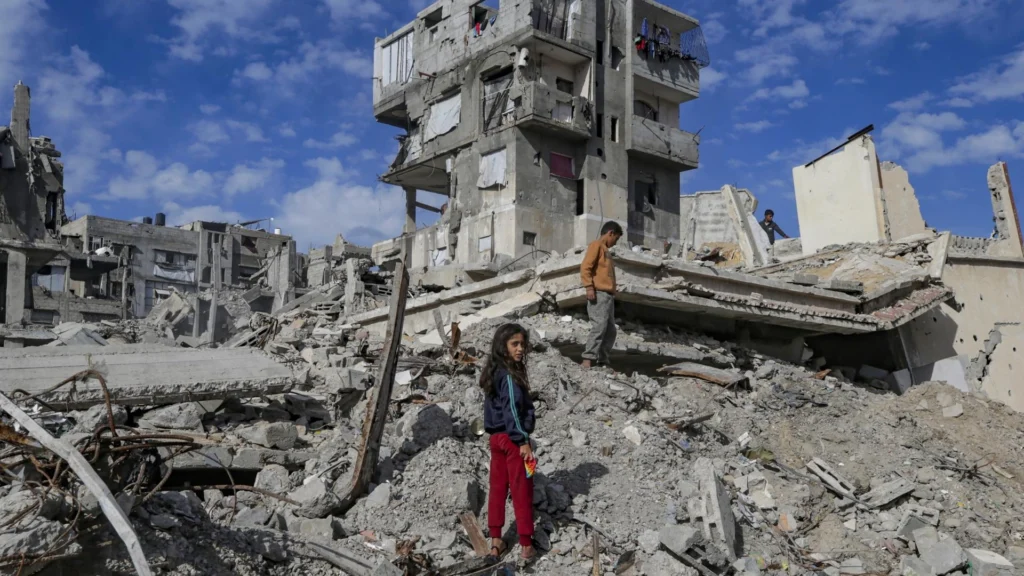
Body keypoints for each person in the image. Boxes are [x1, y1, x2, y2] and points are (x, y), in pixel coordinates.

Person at [481, 323, 537, 562]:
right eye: (515, 344)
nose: (520, 349)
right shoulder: (510, 378)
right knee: (521, 489)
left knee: (497, 489)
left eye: (522, 344)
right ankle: (526, 543)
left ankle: (496, 541)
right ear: (502, 347)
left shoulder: (494, 373)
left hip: (496, 440)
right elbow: (512, 410)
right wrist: (522, 440)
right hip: (513, 442)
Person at [580, 221, 623, 369]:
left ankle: (603, 360)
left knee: (610, 330)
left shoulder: (606, 251)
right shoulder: (596, 246)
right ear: (610, 233)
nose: (615, 242)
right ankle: (588, 359)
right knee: (599, 326)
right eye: (616, 238)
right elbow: (586, 267)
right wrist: (589, 287)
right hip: (598, 294)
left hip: (607, 296)